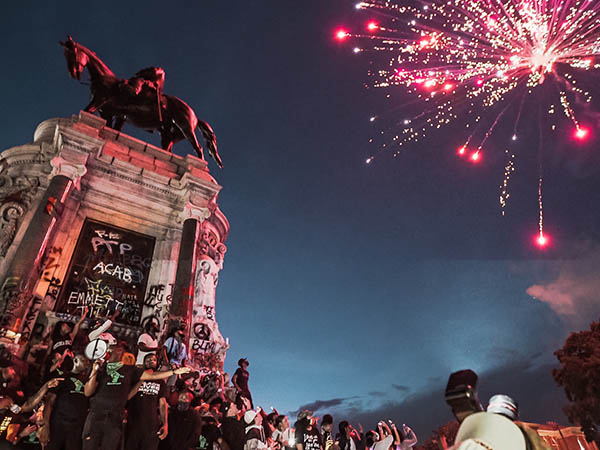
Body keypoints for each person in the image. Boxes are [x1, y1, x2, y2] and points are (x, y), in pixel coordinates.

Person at [81, 341, 189, 450]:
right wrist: (94, 371)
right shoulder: (100, 368)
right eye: (114, 347)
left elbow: (153, 376)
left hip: (115, 418)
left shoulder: (129, 370)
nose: (117, 350)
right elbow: (87, 392)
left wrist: (174, 372)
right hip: (96, 415)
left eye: (120, 348)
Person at [42, 355, 89, 450]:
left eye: (88, 361)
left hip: (76, 427)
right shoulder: (62, 377)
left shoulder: (88, 382)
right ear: (75, 360)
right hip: (58, 424)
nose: (86, 363)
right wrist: (46, 426)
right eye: (83, 360)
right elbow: (49, 401)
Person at [125, 353, 169, 450]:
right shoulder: (135, 378)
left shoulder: (160, 382)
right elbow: (128, 396)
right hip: (134, 423)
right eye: (148, 360)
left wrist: (165, 423)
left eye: (153, 360)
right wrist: (143, 378)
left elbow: (163, 404)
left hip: (151, 425)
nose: (151, 362)